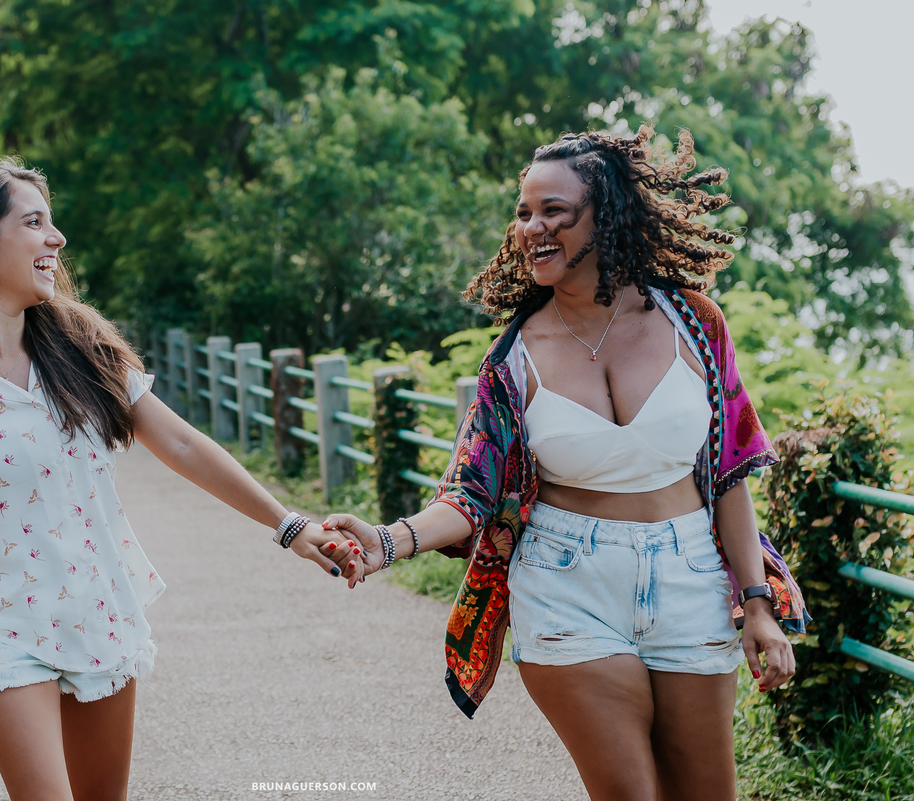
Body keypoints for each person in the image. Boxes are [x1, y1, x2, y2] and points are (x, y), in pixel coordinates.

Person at [0, 159, 358, 801]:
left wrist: (289, 524)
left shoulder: (80, 344)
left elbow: (183, 444)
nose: (56, 240)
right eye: (34, 223)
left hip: (98, 606)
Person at [319, 125, 811, 801]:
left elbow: (727, 474)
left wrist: (757, 602)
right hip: (567, 580)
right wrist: (387, 540)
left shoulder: (695, 321)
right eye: (523, 212)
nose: (532, 227)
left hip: (690, 572)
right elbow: (469, 490)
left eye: (554, 210)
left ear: (606, 214)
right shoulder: (513, 358)